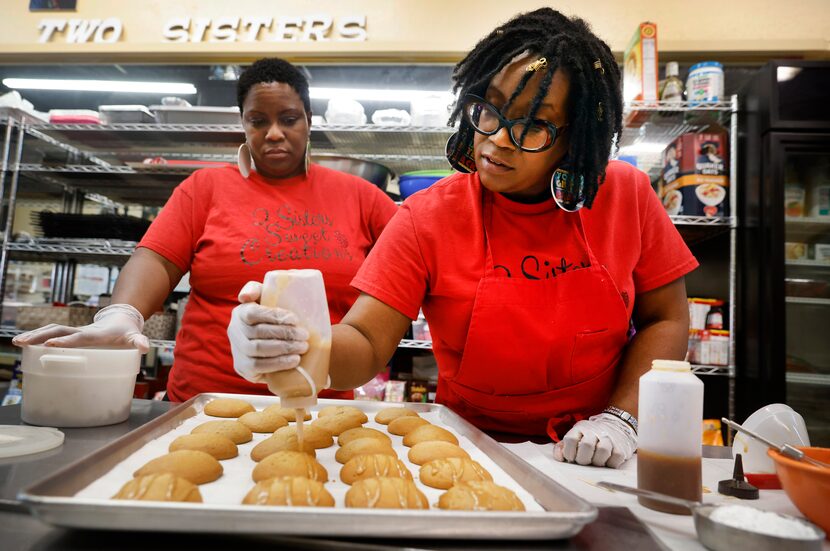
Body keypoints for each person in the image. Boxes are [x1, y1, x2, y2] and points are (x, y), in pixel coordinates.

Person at [228, 9, 698, 468]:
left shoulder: (624, 196)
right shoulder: (427, 217)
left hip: (599, 450)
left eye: (532, 124)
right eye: (488, 109)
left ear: (575, 138)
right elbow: (367, 341)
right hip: (470, 451)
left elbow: (668, 317)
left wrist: (621, 418)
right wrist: (300, 341)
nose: (496, 139)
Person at [13, 57, 398, 402]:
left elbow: (410, 260)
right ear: (243, 123)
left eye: (289, 118)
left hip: (320, 404)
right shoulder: (204, 189)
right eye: (258, 121)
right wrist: (123, 314)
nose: (274, 133)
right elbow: (157, 260)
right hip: (207, 402)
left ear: (309, 120)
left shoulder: (361, 197)